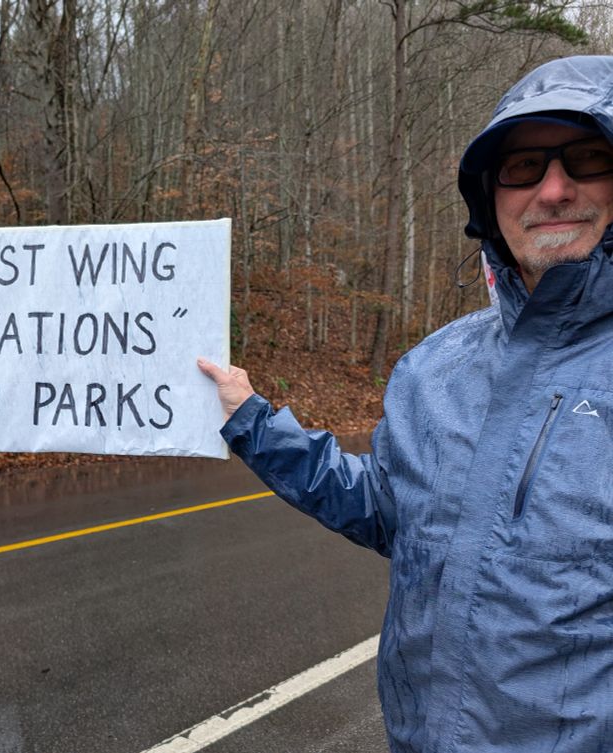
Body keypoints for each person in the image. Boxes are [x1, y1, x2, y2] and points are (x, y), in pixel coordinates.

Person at [198, 55, 613, 752]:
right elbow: (385, 509)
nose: (552, 189)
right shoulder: (433, 368)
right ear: (490, 198)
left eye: (587, 158)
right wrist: (254, 421)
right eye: (523, 167)